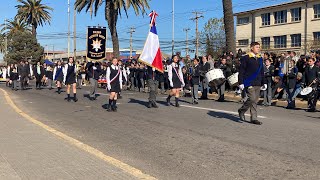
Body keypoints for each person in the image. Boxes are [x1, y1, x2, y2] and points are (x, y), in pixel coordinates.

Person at [238, 42, 266, 125]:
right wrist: (241, 82)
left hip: (258, 82)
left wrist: (264, 82)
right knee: (252, 98)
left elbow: (262, 71)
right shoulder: (246, 58)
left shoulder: (260, 58)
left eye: (259, 47)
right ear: (252, 48)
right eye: (257, 47)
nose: (258, 48)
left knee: (255, 101)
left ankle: (254, 118)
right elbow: (241, 71)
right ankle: (242, 110)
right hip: (248, 82)